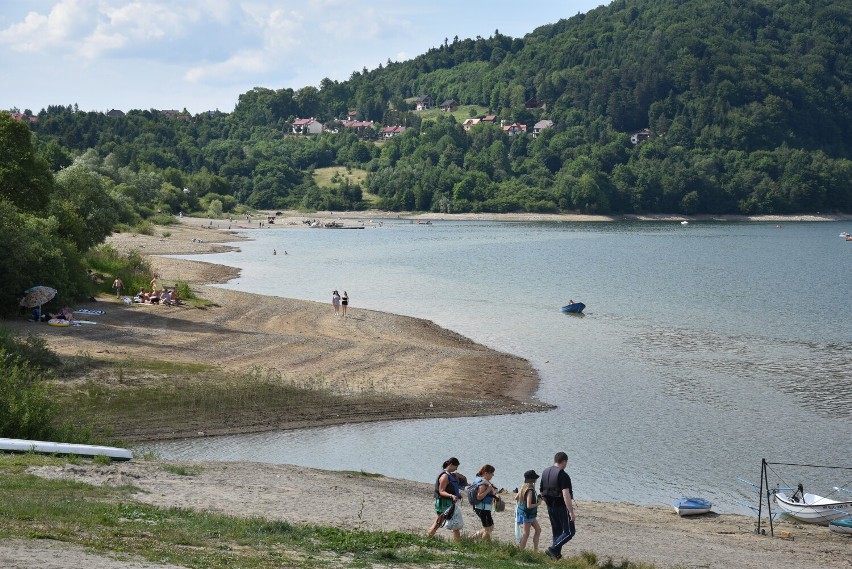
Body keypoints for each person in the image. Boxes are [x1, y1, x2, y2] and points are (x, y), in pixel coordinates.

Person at [540, 452, 576, 560]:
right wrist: (571, 511)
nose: (566, 464)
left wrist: (548, 504)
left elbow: (541, 492)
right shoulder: (563, 475)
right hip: (561, 506)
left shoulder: (545, 472)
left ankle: (555, 556)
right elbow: (566, 494)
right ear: (564, 461)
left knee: (557, 532)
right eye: (566, 462)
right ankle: (553, 549)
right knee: (569, 532)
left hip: (550, 505)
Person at [427, 457, 462, 541]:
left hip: (449, 503)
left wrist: (458, 475)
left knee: (455, 523)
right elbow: (441, 491)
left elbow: (464, 479)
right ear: (451, 465)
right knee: (438, 523)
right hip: (443, 503)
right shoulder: (444, 476)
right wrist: (451, 496)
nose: (456, 468)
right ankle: (427, 537)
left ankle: (458, 543)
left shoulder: (451, 475)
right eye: (456, 466)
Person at [471, 464, 500, 540]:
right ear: (486, 473)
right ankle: (485, 545)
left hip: (483, 508)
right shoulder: (483, 483)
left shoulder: (481, 481)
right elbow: (479, 496)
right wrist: (488, 490)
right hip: (482, 508)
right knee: (488, 528)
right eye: (492, 473)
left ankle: (471, 539)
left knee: (490, 527)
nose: (493, 475)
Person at [516, 470, 542, 551]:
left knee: (538, 530)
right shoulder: (530, 491)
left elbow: (516, 498)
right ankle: (521, 551)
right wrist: (538, 503)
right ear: (532, 480)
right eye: (535, 478)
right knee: (526, 534)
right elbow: (529, 505)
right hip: (528, 515)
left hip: (530, 515)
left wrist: (522, 500)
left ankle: (535, 550)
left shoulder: (524, 487)